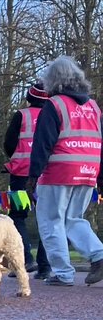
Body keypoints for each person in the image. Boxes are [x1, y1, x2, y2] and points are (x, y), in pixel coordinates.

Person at [26, 56, 103, 287]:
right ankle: (99, 254)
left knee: (51, 220)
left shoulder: (55, 104)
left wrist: (33, 175)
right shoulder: (93, 107)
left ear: (53, 80)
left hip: (59, 170)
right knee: (73, 219)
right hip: (88, 169)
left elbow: (43, 142)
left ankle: (62, 273)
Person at [3, 82, 52, 279]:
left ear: (29, 98)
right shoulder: (54, 115)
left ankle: (25, 259)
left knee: (17, 216)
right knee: (48, 220)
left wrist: (15, 157)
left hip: (21, 173)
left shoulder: (21, 115)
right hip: (47, 174)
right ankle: (45, 266)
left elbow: (9, 143)